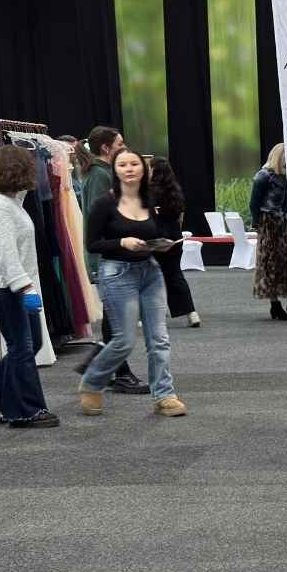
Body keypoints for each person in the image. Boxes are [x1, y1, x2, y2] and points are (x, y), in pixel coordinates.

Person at [80, 149, 187, 417]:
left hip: (150, 271)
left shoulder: (149, 200)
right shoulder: (104, 204)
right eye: (122, 164)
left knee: (159, 339)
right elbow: (92, 244)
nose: (129, 169)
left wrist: (161, 244)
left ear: (143, 169)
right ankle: (93, 381)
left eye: (134, 164)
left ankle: (164, 395)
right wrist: (122, 242)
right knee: (124, 340)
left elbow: (155, 231)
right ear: (115, 170)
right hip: (117, 273)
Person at [0, 145, 59, 429]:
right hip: (3, 287)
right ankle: (25, 411)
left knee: (31, 342)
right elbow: (7, 256)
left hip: (12, 285)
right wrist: (27, 290)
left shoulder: (11, 202)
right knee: (22, 346)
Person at [72, 127, 147, 393]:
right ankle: (112, 370)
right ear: (106, 148)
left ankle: (105, 368)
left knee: (115, 315)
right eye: (119, 144)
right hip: (108, 256)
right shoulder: (99, 176)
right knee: (118, 317)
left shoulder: (101, 174)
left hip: (112, 254)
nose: (124, 148)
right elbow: (100, 219)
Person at [250, 144, 287, 322]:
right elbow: (254, 204)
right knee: (271, 263)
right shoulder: (263, 176)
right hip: (270, 223)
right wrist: (258, 224)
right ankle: (274, 304)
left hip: (286, 223)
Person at [146, 158, 201, 329]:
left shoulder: (149, 191)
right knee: (175, 275)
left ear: (154, 171)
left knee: (150, 276)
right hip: (175, 238)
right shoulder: (175, 191)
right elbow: (180, 217)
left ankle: (154, 312)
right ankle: (191, 312)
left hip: (156, 238)